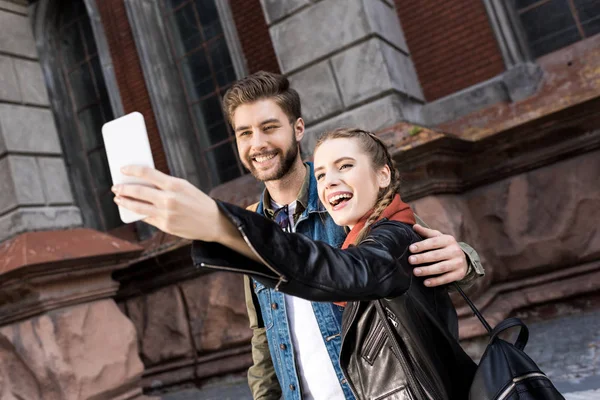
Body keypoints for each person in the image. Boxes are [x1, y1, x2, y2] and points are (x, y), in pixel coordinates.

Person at [112, 71, 484, 399]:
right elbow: (264, 341)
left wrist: (464, 258)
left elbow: (394, 259)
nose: (257, 144)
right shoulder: (256, 222)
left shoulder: (345, 199)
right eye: (245, 133)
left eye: (269, 127)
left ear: (298, 128)